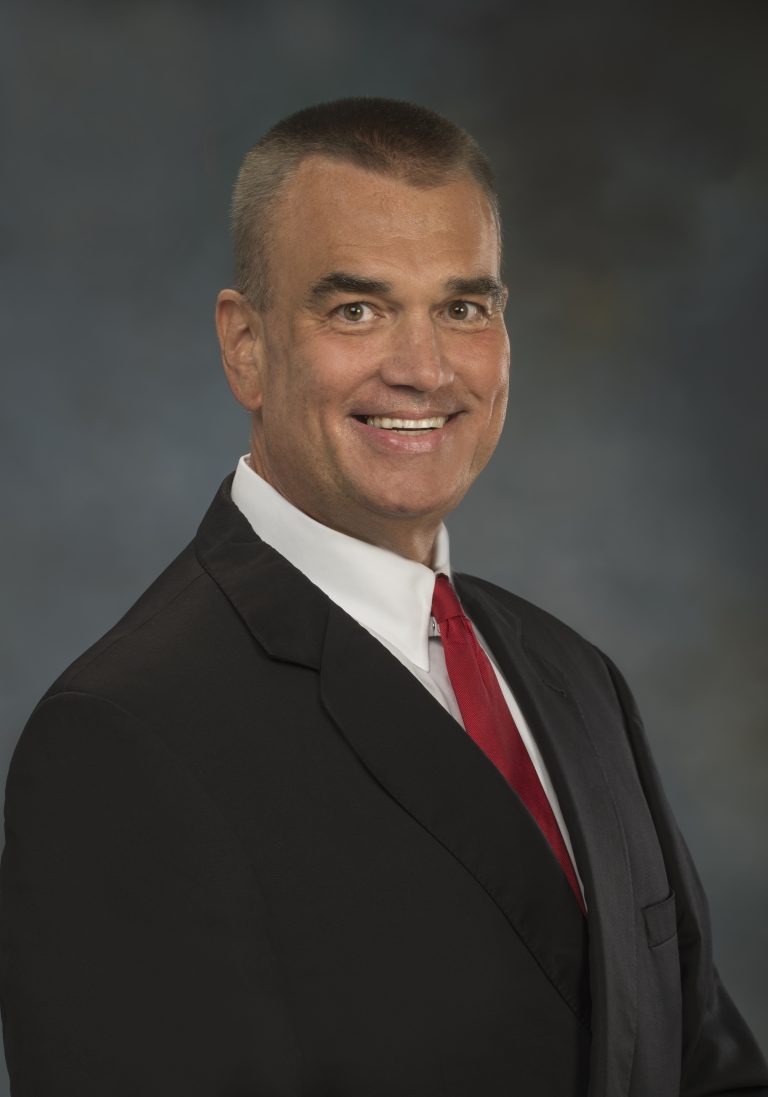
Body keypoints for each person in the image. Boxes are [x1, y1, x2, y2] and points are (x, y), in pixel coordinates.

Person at [0, 97, 765, 1097]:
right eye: (356, 309)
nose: (424, 369)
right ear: (245, 345)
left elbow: (706, 1068)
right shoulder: (122, 737)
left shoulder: (577, 681)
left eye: (463, 308)